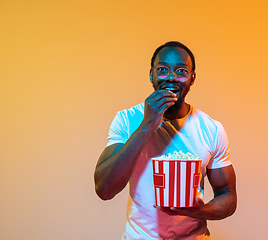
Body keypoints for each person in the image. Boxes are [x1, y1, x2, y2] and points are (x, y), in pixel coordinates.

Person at [94, 41, 237, 240]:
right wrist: (146, 126)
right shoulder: (127, 120)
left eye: (181, 71)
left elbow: (228, 196)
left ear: (192, 78)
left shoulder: (211, 129)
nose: (171, 77)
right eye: (162, 70)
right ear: (151, 75)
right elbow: (104, 189)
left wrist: (198, 211)